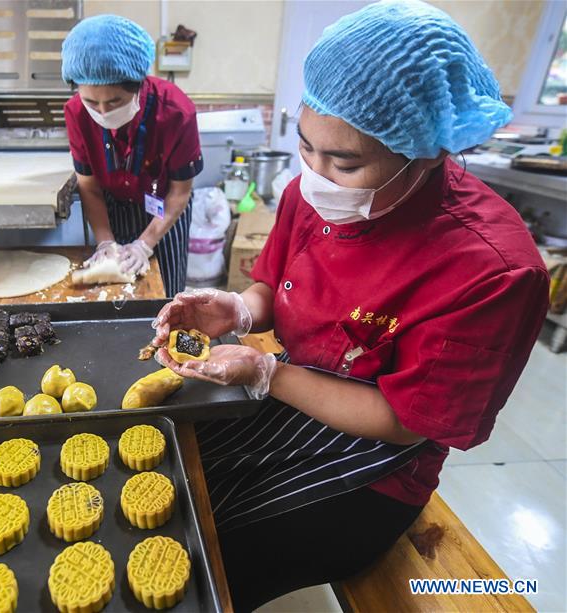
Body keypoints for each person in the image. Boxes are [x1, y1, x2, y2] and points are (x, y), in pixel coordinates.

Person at [151, 1, 550, 609]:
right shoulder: (311, 194)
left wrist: (266, 372)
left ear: (428, 151)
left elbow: (406, 421)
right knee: (169, 474)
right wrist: (237, 310)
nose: (314, 175)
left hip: (379, 466)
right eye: (307, 147)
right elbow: (271, 287)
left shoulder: (490, 270)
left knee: (205, 555)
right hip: (297, 390)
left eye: (345, 161)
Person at [61, 15, 203, 296]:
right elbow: (88, 186)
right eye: (91, 101)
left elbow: (179, 192)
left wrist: (145, 244)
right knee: (116, 292)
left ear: (139, 85)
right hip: (112, 205)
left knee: (164, 293)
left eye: (114, 101)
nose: (102, 112)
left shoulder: (176, 112)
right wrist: (105, 241)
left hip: (164, 207)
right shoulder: (76, 112)